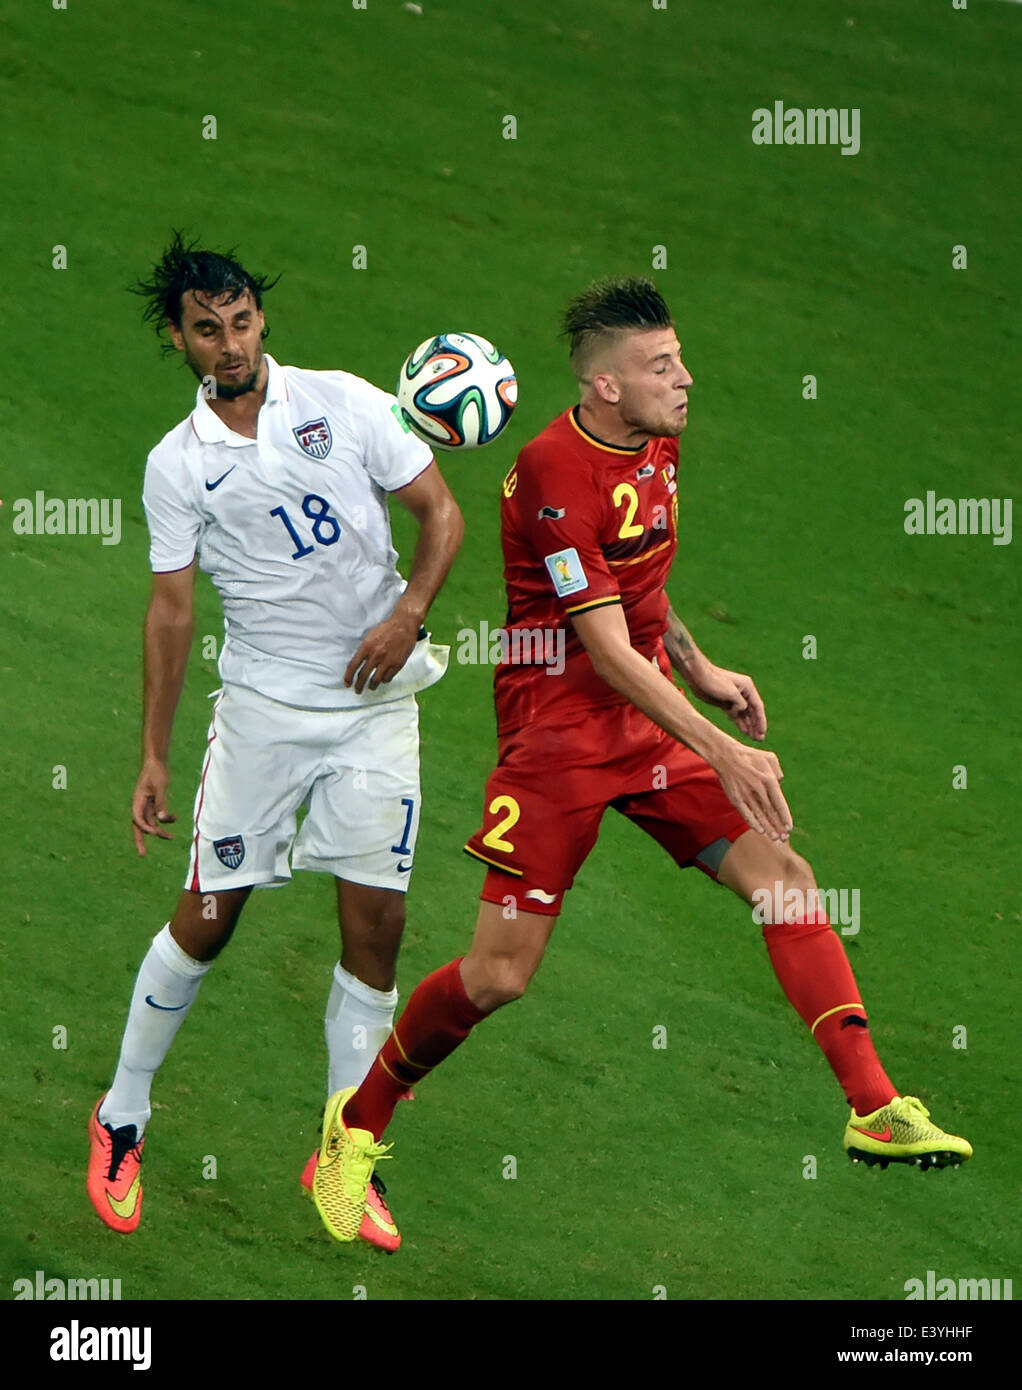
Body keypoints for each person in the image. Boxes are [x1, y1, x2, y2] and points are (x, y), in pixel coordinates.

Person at [306, 276, 972, 1248]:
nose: (685, 378)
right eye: (661, 365)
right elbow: (607, 651)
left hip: (646, 720)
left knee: (782, 879)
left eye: (678, 357)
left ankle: (870, 1104)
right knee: (496, 976)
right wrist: (725, 749)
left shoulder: (655, 442)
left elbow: (640, 589)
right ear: (606, 386)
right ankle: (354, 1126)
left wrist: (698, 667)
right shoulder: (549, 470)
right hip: (556, 739)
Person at [86, 233, 463, 1252]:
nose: (230, 342)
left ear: (261, 318)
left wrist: (409, 615)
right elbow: (170, 613)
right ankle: (122, 1115)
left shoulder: (342, 402)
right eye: (206, 329)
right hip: (260, 713)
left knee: (376, 928)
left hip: (376, 707)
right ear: (178, 338)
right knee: (209, 915)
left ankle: (345, 1150)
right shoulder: (178, 465)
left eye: (241, 320)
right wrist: (155, 754)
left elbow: (438, 512)